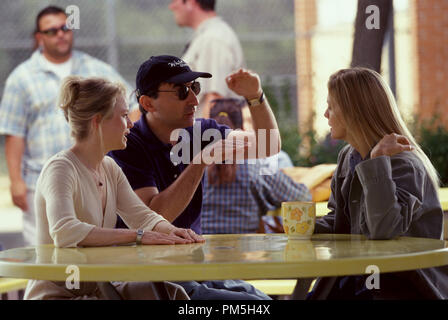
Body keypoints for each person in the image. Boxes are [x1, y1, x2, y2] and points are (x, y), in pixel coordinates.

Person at [109, 55, 279, 300]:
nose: (194, 99)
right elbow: (153, 217)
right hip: (149, 279)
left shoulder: (200, 133)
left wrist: (256, 97)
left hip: (193, 267)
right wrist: (200, 161)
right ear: (148, 103)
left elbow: (268, 146)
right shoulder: (129, 144)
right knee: (254, 305)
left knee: (264, 301)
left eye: (194, 88)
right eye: (180, 91)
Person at [24, 76, 203, 300]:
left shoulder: (109, 167)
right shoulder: (60, 169)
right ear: (97, 121)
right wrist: (138, 236)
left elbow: (142, 216)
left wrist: (172, 232)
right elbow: (65, 231)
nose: (130, 124)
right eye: (124, 116)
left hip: (97, 291)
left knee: (173, 294)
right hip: (57, 295)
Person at [0, 5, 139, 246]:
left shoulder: (96, 69)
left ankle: (91, 286)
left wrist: (123, 131)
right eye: (51, 31)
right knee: (48, 252)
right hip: (39, 179)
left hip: (91, 175)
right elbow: (14, 132)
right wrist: (16, 181)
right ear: (39, 37)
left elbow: (131, 104)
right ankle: (56, 286)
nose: (60, 34)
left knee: (92, 249)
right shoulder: (21, 78)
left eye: (65, 27)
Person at [309, 67, 448, 299]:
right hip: (353, 279)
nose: (325, 114)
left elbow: (383, 230)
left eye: (331, 106)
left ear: (355, 111)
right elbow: (342, 224)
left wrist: (378, 163)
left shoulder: (405, 165)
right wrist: (304, 226)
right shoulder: (347, 157)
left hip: (398, 287)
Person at [201, 98, 311, 234]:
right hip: (247, 251)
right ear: (241, 129)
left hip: (202, 250)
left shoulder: (193, 165)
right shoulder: (256, 166)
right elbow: (301, 196)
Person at [169, 0, 245, 118]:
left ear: (191, 2)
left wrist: (206, 135)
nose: (171, 6)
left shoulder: (213, 39)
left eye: (175, 1)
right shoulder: (207, 36)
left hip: (207, 134)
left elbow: (214, 102)